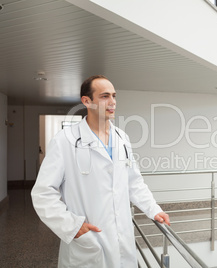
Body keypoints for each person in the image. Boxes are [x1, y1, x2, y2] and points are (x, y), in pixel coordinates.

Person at [31, 75, 170, 268]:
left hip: (122, 238)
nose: (112, 102)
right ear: (87, 101)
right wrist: (72, 226)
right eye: (104, 96)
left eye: (114, 95)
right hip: (89, 240)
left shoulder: (122, 138)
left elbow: (134, 182)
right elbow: (43, 193)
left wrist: (153, 209)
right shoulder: (65, 140)